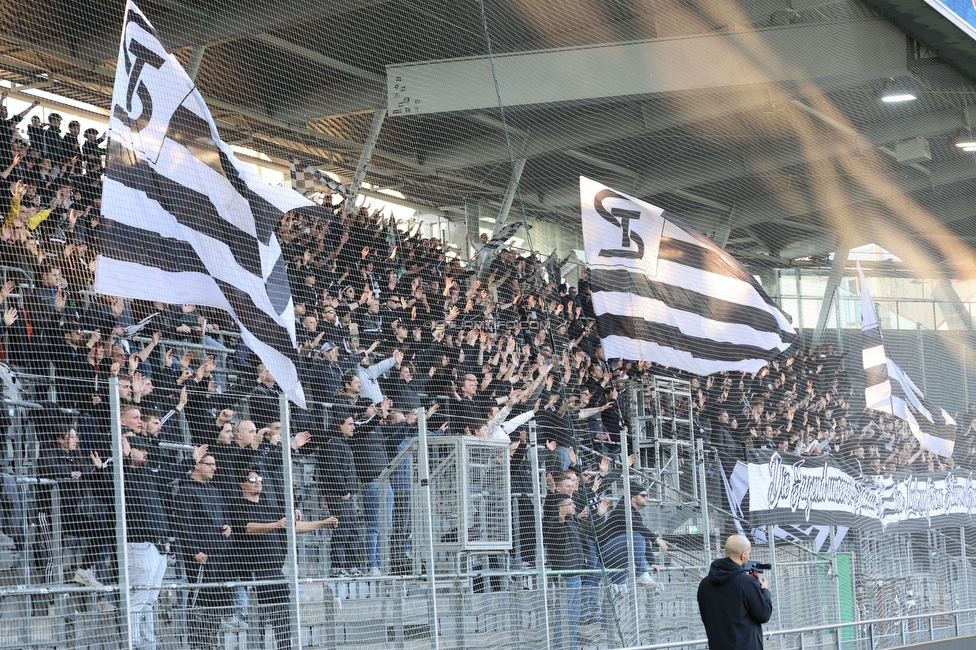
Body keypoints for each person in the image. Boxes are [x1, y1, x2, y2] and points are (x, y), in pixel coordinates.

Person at [227, 467, 337, 647]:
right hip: (254, 573)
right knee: (258, 624)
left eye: (259, 479)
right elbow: (249, 528)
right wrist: (276, 524)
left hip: (275, 572)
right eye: (253, 480)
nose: (258, 483)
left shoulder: (269, 506)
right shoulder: (237, 505)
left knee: (283, 621)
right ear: (242, 485)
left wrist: (323, 523)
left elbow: (294, 526)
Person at [697, 534, 773, 650]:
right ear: (743, 555)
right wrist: (764, 590)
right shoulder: (746, 583)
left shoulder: (705, 584)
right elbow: (764, 614)